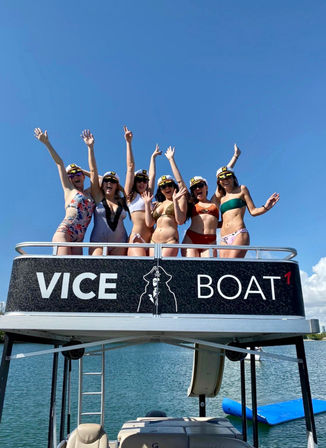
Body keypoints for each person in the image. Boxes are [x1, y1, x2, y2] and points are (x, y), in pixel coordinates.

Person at [34, 128, 95, 255]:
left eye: (78, 174)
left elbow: (100, 179)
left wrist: (84, 170)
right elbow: (59, 163)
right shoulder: (69, 189)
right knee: (62, 268)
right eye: (71, 175)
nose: (75, 177)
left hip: (79, 240)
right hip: (65, 232)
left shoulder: (90, 193)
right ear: (69, 179)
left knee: (75, 272)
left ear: (83, 176)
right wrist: (47, 143)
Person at [182, 144, 241, 257]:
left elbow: (222, 176)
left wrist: (235, 156)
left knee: (207, 270)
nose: (197, 188)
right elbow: (180, 183)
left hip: (210, 241)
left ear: (206, 187)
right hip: (191, 238)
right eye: (194, 188)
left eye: (200, 185)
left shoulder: (214, 201)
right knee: (191, 269)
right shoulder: (193, 203)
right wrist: (171, 159)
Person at [213, 165, 280, 258]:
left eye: (228, 176)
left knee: (232, 264)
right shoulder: (221, 198)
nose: (225, 180)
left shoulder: (242, 189)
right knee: (224, 268)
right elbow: (221, 222)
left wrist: (266, 207)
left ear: (233, 178)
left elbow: (253, 211)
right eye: (221, 178)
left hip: (239, 234)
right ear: (219, 182)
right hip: (223, 238)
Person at [81, 129, 129, 256]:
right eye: (106, 181)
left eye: (113, 181)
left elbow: (130, 169)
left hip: (120, 243)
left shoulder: (123, 200)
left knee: (119, 274)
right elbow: (93, 171)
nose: (109, 183)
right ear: (102, 184)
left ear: (117, 186)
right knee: (97, 268)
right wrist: (90, 148)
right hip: (98, 242)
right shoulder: (98, 196)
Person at [123, 125, 161, 256]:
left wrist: (153, 157)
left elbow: (153, 175)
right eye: (138, 180)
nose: (142, 183)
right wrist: (128, 143)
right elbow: (130, 167)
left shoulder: (148, 195)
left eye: (144, 180)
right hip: (137, 239)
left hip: (152, 240)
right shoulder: (130, 195)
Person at [143, 147, 187, 257]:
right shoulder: (158, 204)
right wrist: (147, 205)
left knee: (164, 270)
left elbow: (180, 221)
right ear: (160, 190)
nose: (166, 188)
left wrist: (171, 159)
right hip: (154, 241)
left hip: (170, 241)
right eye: (163, 186)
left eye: (169, 185)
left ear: (174, 186)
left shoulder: (180, 198)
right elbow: (149, 223)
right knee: (153, 271)